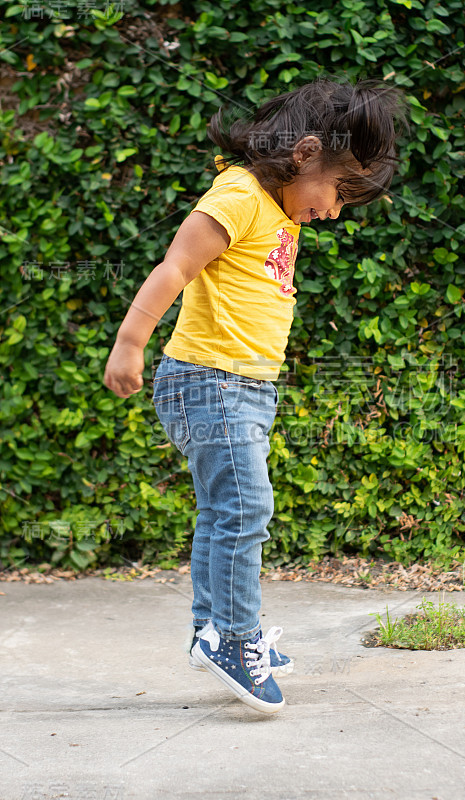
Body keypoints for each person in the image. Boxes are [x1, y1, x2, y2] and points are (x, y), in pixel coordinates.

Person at [103, 77, 409, 714]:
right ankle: (235, 640)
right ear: (305, 153)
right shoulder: (240, 194)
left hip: (241, 386)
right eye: (339, 189)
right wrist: (130, 342)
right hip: (210, 381)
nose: (336, 209)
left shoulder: (276, 210)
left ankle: (212, 632)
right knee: (245, 509)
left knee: (224, 512)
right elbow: (174, 268)